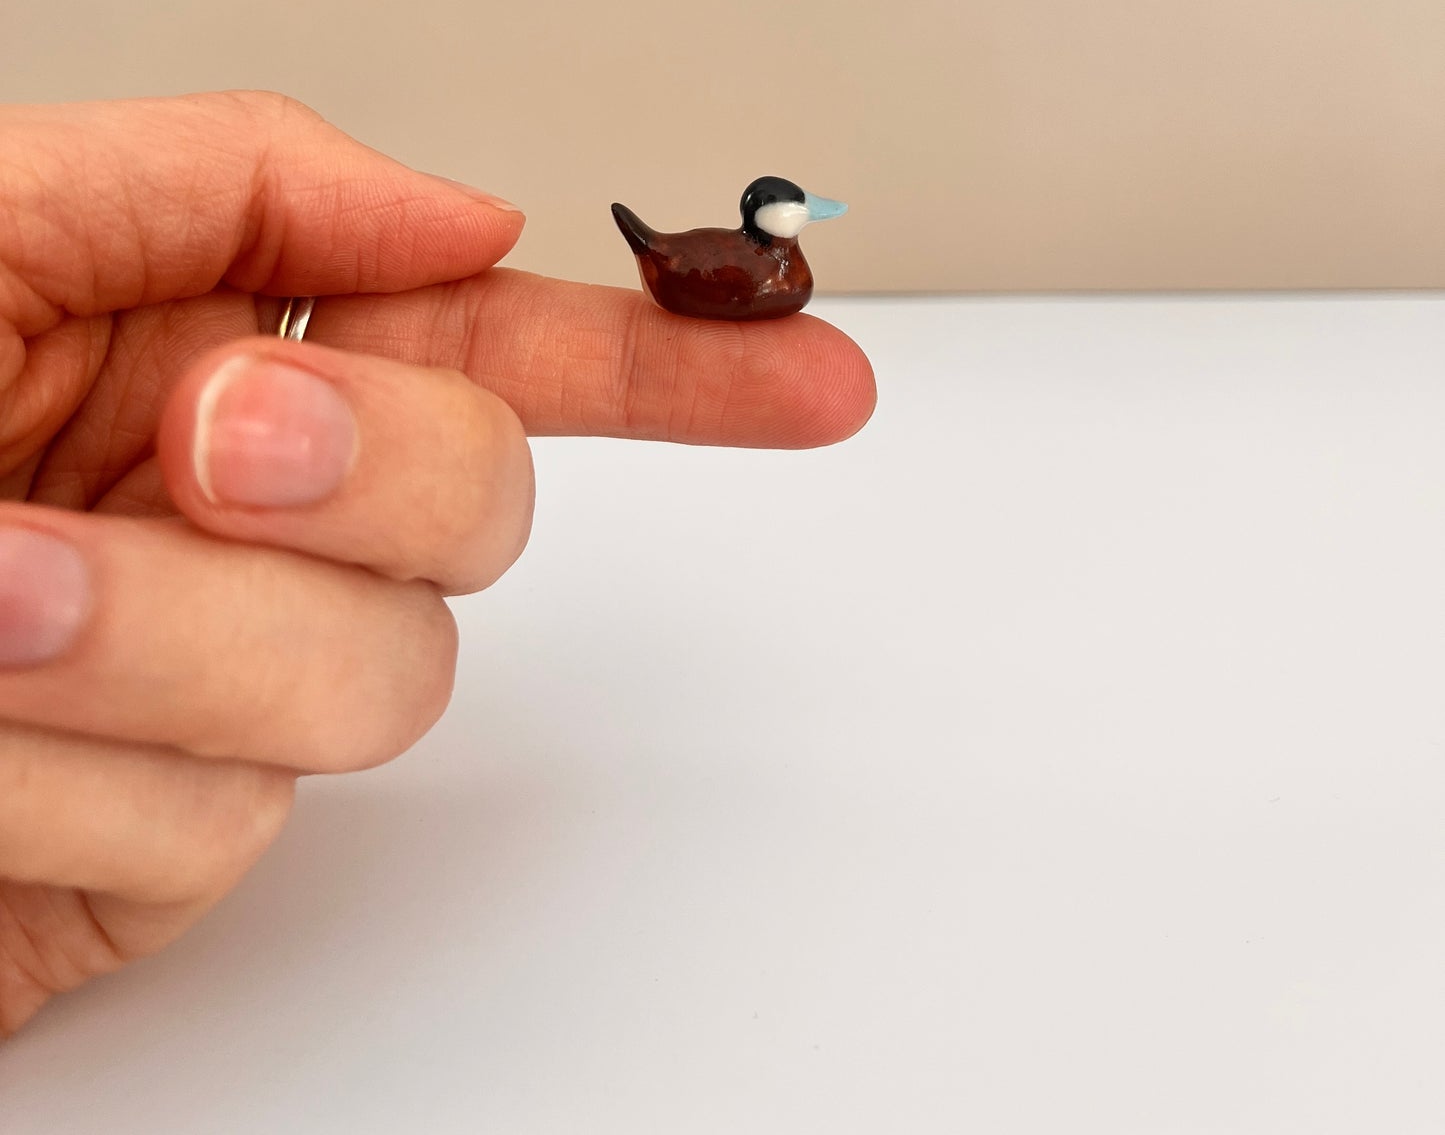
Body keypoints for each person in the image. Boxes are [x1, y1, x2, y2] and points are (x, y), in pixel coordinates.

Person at [0, 91, 875, 1035]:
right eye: (798, 210)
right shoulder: (744, 274)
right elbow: (680, 262)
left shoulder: (772, 273)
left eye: (802, 213)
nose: (808, 218)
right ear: (768, 219)